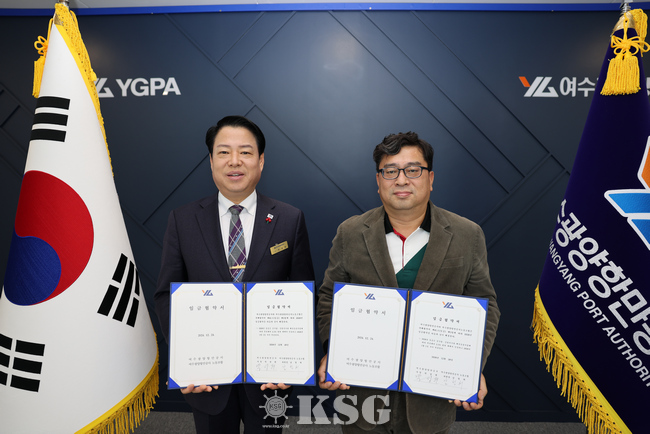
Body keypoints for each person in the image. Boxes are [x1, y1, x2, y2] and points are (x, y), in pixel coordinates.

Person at [315, 131, 500, 434]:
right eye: (390, 171)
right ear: (378, 181)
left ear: (431, 178)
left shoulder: (467, 235)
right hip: (362, 396)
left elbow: (486, 304)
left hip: (431, 401)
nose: (401, 180)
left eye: (413, 170)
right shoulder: (350, 233)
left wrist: (471, 366)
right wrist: (333, 351)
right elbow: (328, 298)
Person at [154, 115, 315, 434]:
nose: (234, 161)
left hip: (270, 378)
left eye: (245, 152)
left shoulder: (289, 219)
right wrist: (186, 360)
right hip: (207, 378)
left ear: (261, 160)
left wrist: (292, 360)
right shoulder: (183, 220)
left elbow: (304, 295)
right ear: (211, 161)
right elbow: (166, 295)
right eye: (224, 152)